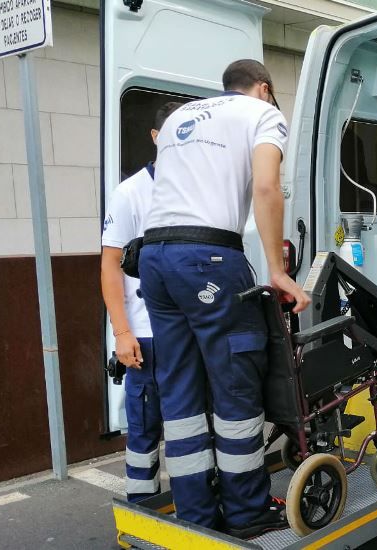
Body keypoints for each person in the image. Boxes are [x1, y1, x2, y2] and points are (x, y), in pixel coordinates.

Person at [139, 59, 310, 538]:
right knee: (235, 383)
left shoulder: (178, 118)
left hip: (155, 259)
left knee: (181, 391)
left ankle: (195, 513)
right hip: (208, 259)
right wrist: (277, 271)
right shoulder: (262, 114)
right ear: (264, 88)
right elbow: (266, 187)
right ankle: (247, 512)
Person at [100, 101, 182, 503]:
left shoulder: (197, 191)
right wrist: (121, 332)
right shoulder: (130, 193)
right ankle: (142, 511)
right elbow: (110, 265)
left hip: (191, 332)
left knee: (192, 429)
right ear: (155, 138)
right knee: (145, 430)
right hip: (146, 336)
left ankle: (193, 510)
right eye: (170, 135)